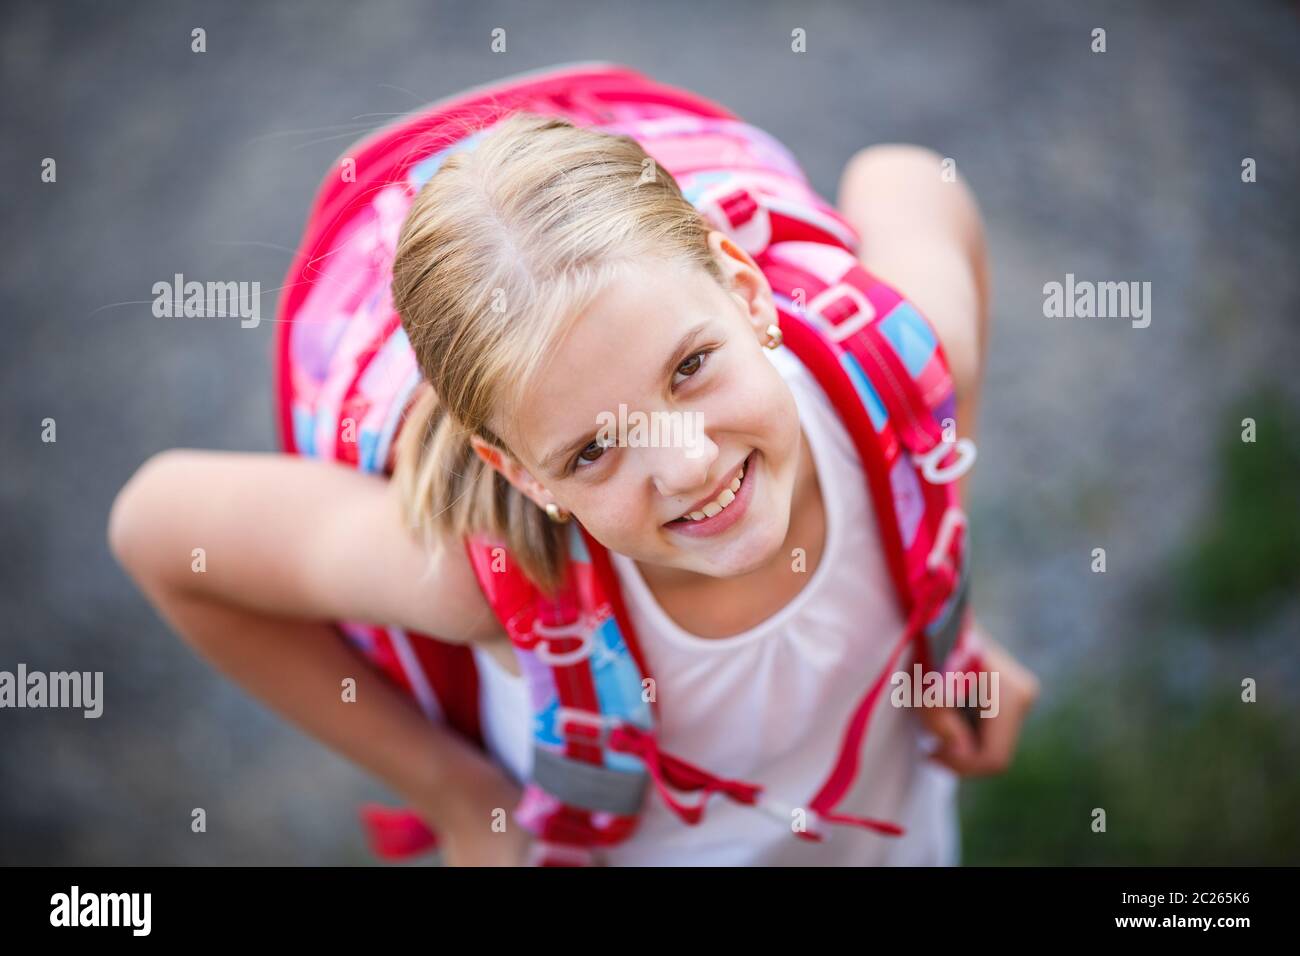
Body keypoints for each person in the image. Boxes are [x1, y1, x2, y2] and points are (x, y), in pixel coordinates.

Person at [108, 75, 1038, 867]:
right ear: (520, 473)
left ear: (746, 291)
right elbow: (155, 528)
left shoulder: (904, 374)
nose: (687, 465)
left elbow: (911, 176)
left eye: (689, 368)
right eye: (592, 450)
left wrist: (945, 604)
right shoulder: (489, 581)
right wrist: (458, 797)